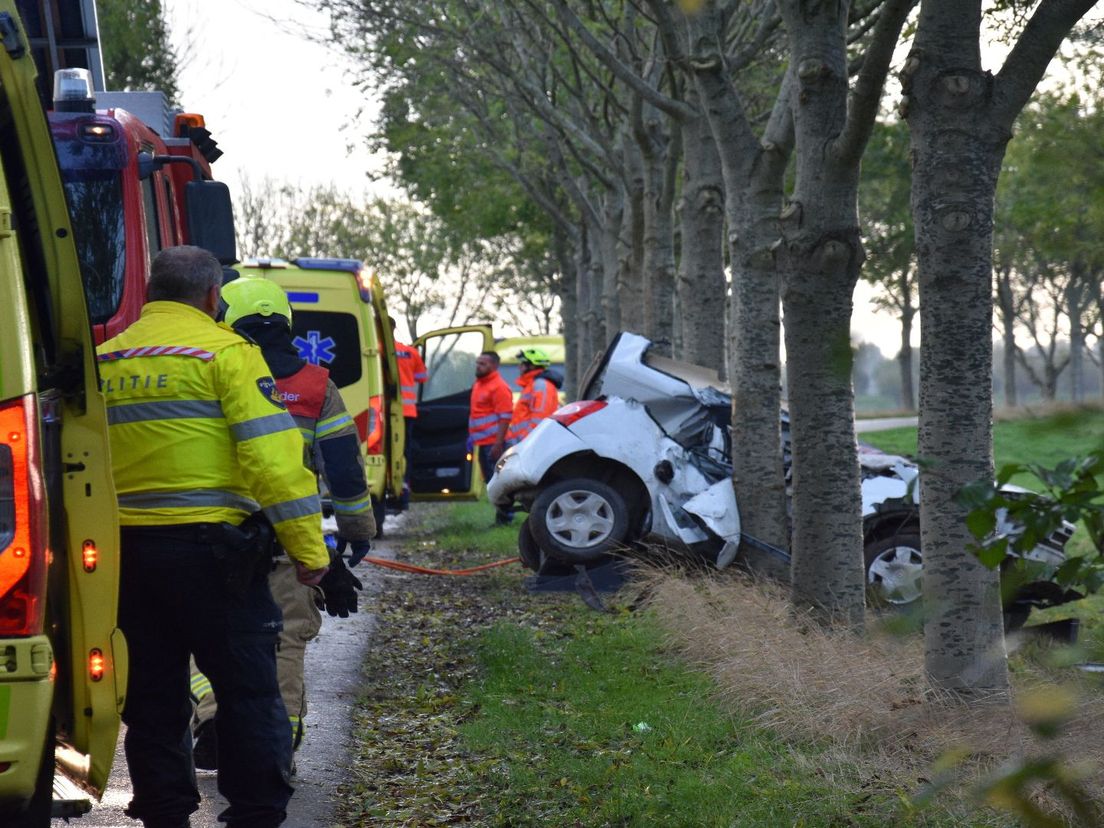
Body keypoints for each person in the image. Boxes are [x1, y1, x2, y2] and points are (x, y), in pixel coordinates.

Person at [97, 246, 329, 828]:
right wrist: (308, 551)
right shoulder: (227, 353)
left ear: (150, 292)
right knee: (248, 691)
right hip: (216, 556)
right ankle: (253, 813)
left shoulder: (104, 361)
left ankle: (165, 811)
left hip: (127, 560)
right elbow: (272, 462)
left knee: (151, 697)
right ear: (211, 298)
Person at [189, 275, 375, 771]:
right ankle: (279, 740)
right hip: (289, 536)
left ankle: (212, 714)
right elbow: (344, 471)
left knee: (205, 633)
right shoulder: (317, 387)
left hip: (216, 531)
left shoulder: (214, 373)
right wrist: (356, 534)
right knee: (288, 636)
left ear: (225, 320)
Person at [469, 350, 515, 525]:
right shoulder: (479, 384)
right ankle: (501, 517)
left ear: (494, 366)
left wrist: (498, 444)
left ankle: (506, 519)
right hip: (483, 443)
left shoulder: (499, 387)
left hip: (495, 444)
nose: (478, 366)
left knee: (499, 483)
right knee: (491, 482)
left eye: (483, 364)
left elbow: (505, 418)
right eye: (478, 363)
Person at [390, 316, 428, 504]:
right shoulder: (410, 352)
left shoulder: (378, 351)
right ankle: (404, 482)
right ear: (395, 328)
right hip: (406, 411)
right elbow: (422, 377)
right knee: (404, 450)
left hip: (382, 409)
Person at [505, 347, 561, 446]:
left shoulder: (541, 385)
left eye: (522, 363)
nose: (519, 367)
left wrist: (524, 441)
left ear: (531, 366)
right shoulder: (533, 385)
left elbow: (539, 420)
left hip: (529, 444)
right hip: (524, 442)